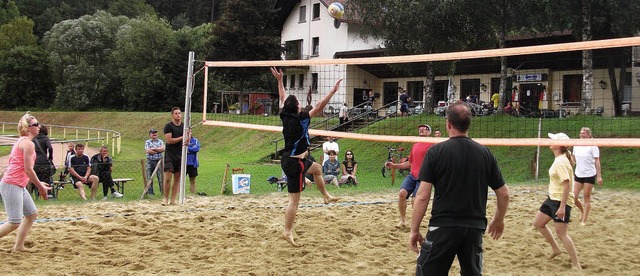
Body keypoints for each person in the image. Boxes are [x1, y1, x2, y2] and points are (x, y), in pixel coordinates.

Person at [409, 102, 510, 275]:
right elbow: (504, 194)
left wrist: (414, 230)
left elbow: (422, 196)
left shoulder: (435, 152)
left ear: (448, 124)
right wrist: (498, 219)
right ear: (469, 124)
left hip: (443, 226)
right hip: (474, 228)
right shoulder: (485, 153)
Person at [270, 66, 340, 247]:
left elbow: (282, 98)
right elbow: (320, 106)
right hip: (293, 163)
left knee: (317, 169)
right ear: (298, 108)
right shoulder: (301, 118)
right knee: (294, 201)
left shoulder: (285, 114)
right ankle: (286, 231)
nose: (301, 104)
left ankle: (326, 196)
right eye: (299, 104)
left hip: (298, 159)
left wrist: (280, 80)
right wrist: (332, 91)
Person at [0, 113, 51, 253]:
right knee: (14, 221)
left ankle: (18, 247)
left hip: (17, 184)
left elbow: (23, 169)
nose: (39, 126)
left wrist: (38, 182)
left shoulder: (23, 141)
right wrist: (40, 187)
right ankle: (18, 247)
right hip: (11, 184)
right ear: (28, 128)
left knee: (31, 214)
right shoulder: (27, 143)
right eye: (36, 124)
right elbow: (28, 170)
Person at [533, 133, 581, 270]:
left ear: (559, 145)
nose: (550, 141)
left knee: (562, 234)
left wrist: (562, 207)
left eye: (553, 139)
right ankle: (555, 249)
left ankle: (576, 264)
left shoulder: (561, 162)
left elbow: (567, 185)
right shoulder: (560, 159)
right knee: (538, 223)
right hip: (552, 198)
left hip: (560, 201)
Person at [385, 124, 433, 229]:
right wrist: (394, 166)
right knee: (402, 193)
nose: (421, 129)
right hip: (412, 175)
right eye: (420, 128)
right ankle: (403, 220)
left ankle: (415, 223)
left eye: (425, 129)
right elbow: (410, 164)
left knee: (415, 200)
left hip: (423, 177)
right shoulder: (415, 146)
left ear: (429, 132)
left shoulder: (432, 145)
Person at [572, 127, 603, 226]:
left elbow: (597, 161)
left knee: (586, 197)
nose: (581, 135)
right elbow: (574, 158)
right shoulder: (576, 145)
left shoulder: (592, 145)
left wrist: (599, 176)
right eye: (580, 133)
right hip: (578, 173)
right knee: (574, 197)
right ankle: (582, 211)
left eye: (584, 133)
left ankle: (584, 220)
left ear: (589, 135)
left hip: (589, 174)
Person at [163, 107, 190, 205]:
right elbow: (169, 140)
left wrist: (188, 137)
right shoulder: (168, 126)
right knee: (168, 177)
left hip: (180, 154)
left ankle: (173, 199)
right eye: (176, 113)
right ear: (172, 115)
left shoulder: (184, 127)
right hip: (170, 154)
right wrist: (182, 137)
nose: (178, 115)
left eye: (179, 113)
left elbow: (188, 139)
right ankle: (165, 198)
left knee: (177, 178)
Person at [32, 125, 54, 197]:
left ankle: (36, 194)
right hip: (44, 161)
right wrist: (50, 157)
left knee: (36, 178)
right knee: (46, 179)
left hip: (35, 161)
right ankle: (49, 194)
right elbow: (50, 148)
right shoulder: (45, 138)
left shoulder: (33, 139)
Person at [145, 128, 164, 196]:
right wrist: (158, 150)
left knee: (161, 177)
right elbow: (148, 151)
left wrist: (154, 149)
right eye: (153, 133)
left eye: (155, 133)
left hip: (159, 161)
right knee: (149, 177)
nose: (154, 134)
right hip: (150, 161)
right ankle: (150, 193)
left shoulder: (160, 141)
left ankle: (163, 192)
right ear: (150, 135)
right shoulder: (147, 142)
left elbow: (163, 149)